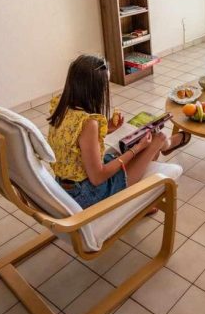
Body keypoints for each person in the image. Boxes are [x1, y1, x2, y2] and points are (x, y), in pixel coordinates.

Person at [47, 55, 187, 208]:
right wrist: (135, 149)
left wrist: (107, 129)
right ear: (93, 90)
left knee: (142, 141)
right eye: (105, 86)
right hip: (87, 193)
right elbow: (97, 178)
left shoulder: (60, 105)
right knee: (158, 138)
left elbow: (74, 141)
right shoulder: (88, 123)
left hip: (66, 186)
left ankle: (165, 145)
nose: (106, 91)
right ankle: (166, 144)